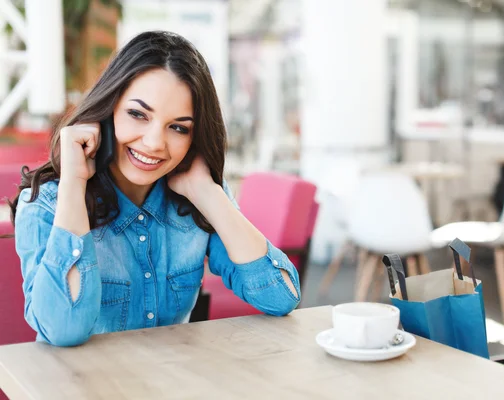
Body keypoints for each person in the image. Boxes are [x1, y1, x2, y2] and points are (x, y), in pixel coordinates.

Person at [8, 31, 300, 347]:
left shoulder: (194, 199)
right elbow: (64, 331)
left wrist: (207, 191)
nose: (154, 143)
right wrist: (74, 185)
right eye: (138, 114)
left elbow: (281, 297)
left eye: (178, 127)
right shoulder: (47, 205)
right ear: (109, 110)